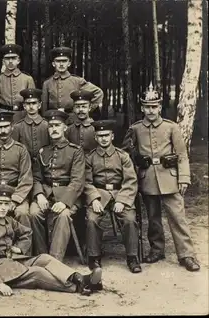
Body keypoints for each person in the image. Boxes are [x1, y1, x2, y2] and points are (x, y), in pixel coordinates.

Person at [0, 184, 103, 297]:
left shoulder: (8, 220)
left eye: (6, 204)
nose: (3, 208)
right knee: (37, 273)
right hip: (0, 270)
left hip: (12, 260)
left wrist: (19, 248)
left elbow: (26, 232)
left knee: (44, 258)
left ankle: (79, 277)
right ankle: (79, 286)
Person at [122, 84, 200, 272]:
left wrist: (183, 178)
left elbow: (181, 154)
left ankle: (186, 254)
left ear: (159, 107)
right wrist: (135, 158)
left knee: (177, 216)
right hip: (147, 177)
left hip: (170, 178)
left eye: (154, 106)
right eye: (147, 106)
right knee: (153, 217)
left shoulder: (171, 127)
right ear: (142, 108)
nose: (151, 110)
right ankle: (157, 250)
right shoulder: (136, 129)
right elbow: (125, 152)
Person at [84, 120, 142, 273]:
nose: (103, 139)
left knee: (129, 220)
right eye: (100, 136)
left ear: (112, 136)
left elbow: (130, 180)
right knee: (92, 219)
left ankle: (132, 257)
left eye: (106, 135)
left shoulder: (122, 156)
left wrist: (122, 200)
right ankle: (94, 257)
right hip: (99, 195)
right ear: (95, 138)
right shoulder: (90, 158)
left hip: (120, 193)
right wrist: (94, 199)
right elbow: (87, 182)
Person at [32, 110, 85, 261]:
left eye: (57, 125)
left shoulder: (75, 151)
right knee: (34, 213)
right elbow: (36, 177)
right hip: (47, 194)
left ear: (65, 128)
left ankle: (55, 260)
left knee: (63, 215)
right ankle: (41, 257)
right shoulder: (43, 151)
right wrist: (40, 195)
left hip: (68, 195)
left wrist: (64, 202)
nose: (54, 129)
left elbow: (77, 181)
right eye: (51, 126)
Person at [11, 88, 50, 254]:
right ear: (24, 106)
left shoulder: (48, 126)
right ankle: (27, 249)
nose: (31, 106)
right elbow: (16, 151)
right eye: (28, 104)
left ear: (40, 105)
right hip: (25, 172)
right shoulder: (18, 127)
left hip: (45, 172)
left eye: (34, 103)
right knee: (26, 212)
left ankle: (42, 250)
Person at [41, 46, 103, 122]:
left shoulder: (77, 81)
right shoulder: (47, 83)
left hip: (73, 121)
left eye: (64, 61)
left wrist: (84, 110)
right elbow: (44, 109)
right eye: (58, 61)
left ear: (69, 63)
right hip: (54, 122)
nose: (61, 64)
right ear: (53, 64)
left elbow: (98, 93)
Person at [0, 44, 36, 122]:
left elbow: (33, 102)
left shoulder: (27, 79)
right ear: (3, 61)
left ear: (18, 61)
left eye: (13, 58)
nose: (10, 61)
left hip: (23, 116)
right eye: (7, 59)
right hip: (4, 116)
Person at [65, 90, 98, 154]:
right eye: (77, 107)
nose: (80, 110)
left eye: (84, 106)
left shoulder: (96, 128)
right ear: (74, 108)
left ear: (90, 108)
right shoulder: (69, 130)